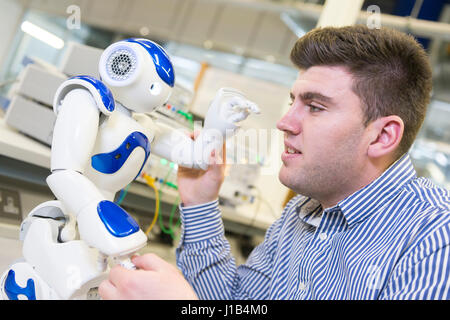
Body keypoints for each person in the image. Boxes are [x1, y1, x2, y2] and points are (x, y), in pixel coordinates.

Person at [99, 25, 450, 300]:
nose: (285, 122)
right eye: (293, 101)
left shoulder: (435, 237)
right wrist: (201, 201)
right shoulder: (302, 212)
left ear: (383, 136)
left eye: (315, 107)